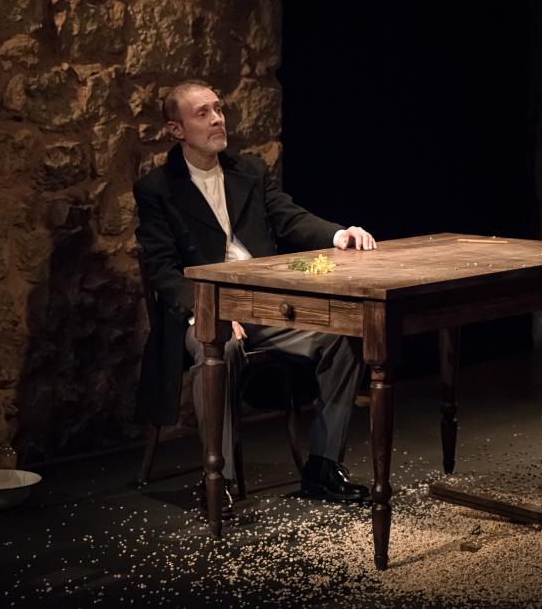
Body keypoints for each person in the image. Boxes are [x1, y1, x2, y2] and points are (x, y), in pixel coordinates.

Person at [133, 80, 377, 512]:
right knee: (218, 344)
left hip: (265, 305)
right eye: (203, 113)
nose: (217, 119)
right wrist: (207, 311)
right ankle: (219, 479)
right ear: (176, 130)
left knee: (344, 335)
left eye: (219, 109)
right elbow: (162, 269)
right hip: (204, 309)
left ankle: (323, 468)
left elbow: (290, 218)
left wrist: (339, 234)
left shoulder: (249, 170)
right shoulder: (158, 188)